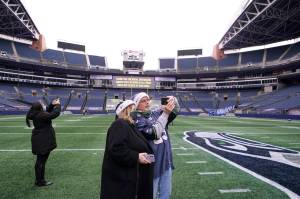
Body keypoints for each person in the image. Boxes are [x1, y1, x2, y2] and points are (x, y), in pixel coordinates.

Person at [100, 100, 154, 199]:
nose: (136, 112)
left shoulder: (130, 126)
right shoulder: (120, 124)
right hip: (124, 184)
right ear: (125, 111)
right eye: (133, 108)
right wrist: (136, 156)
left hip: (131, 181)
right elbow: (116, 149)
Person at [131, 92, 180, 199]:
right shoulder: (136, 119)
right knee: (150, 194)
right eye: (143, 101)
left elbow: (175, 111)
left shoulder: (154, 113)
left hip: (166, 160)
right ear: (136, 104)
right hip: (151, 163)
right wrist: (165, 114)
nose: (147, 102)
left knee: (165, 195)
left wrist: (173, 100)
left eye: (148, 100)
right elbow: (154, 134)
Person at [26, 99, 61, 187]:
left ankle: (39, 180)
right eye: (41, 104)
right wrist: (57, 105)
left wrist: (52, 105)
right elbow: (54, 114)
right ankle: (40, 181)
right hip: (43, 140)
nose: (42, 104)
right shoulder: (41, 115)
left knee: (40, 161)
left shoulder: (35, 114)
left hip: (39, 139)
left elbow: (47, 112)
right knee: (41, 161)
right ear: (39, 107)